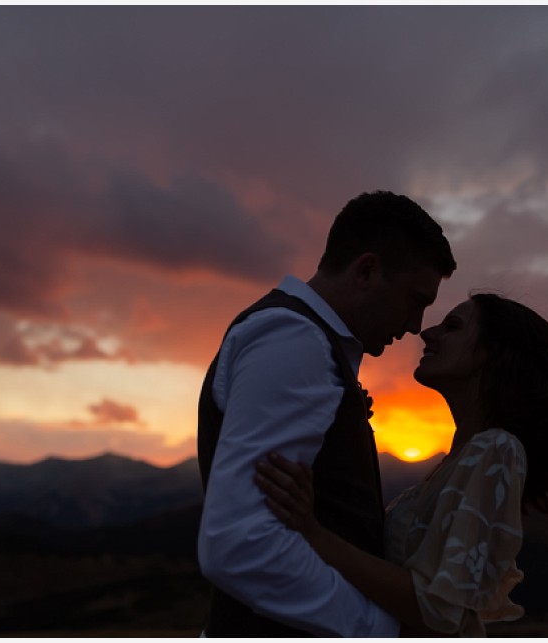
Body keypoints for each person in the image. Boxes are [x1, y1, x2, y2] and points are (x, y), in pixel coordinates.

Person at [256, 292, 548, 636]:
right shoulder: (466, 454)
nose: (428, 333)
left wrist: (313, 534)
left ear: (490, 352)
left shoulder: (496, 449)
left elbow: (438, 608)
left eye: (452, 326)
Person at [196, 190, 457, 637]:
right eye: (416, 300)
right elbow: (241, 545)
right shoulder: (294, 339)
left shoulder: (308, 344)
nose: (416, 325)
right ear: (366, 271)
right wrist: (379, 630)